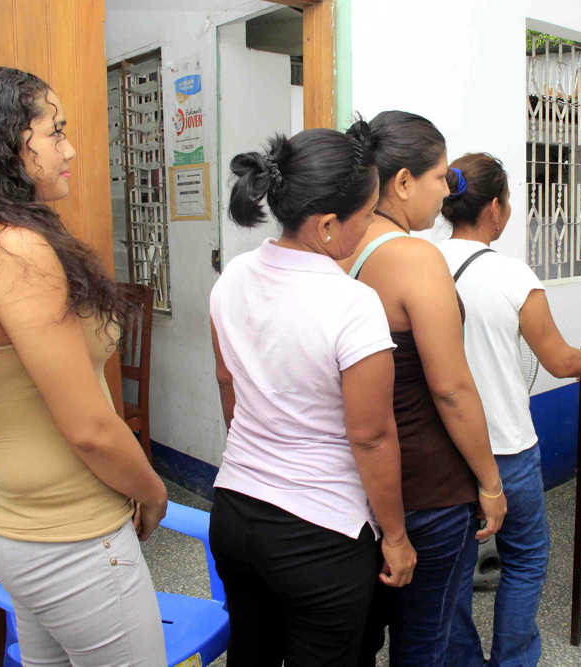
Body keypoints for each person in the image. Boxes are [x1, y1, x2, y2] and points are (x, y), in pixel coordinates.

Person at [0, 66, 168, 664]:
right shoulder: (12, 248)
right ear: (2, 143)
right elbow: (90, 428)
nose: (69, 148)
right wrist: (152, 493)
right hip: (68, 536)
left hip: (10, 521)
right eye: (55, 132)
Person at [208, 124, 416, 666]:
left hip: (234, 512)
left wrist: (263, 454)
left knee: (251, 653)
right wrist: (395, 536)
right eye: (367, 214)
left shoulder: (233, 277)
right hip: (319, 533)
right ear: (327, 225)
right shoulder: (351, 303)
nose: (371, 225)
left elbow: (228, 382)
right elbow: (371, 437)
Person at [436, 153, 581, 666]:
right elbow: (562, 361)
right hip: (506, 446)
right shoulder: (511, 275)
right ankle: (513, 659)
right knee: (525, 559)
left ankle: (461, 659)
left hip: (443, 449)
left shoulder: (423, 264)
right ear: (497, 209)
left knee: (452, 570)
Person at [338, 112, 506, 666]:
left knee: (360, 640)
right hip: (427, 488)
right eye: (439, 178)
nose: (444, 194)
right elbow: (452, 389)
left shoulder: (332, 251)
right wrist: (489, 482)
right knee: (423, 642)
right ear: (404, 182)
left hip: (354, 490)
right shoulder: (414, 259)